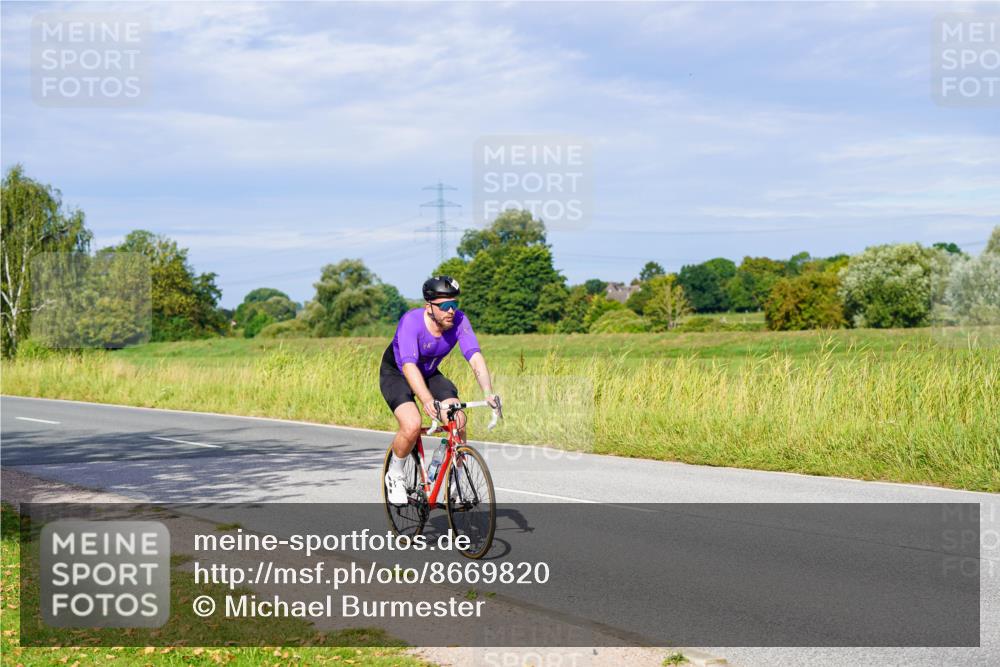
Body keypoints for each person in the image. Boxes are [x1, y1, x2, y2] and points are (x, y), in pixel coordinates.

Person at [380, 275, 498, 505]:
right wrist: (426, 400)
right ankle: (395, 473)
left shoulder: (459, 321)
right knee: (412, 424)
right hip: (398, 373)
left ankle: (456, 475)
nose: (451, 310)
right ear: (429, 307)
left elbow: (475, 357)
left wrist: (488, 392)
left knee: (458, 419)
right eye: (444, 306)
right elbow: (409, 365)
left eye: (454, 304)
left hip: (429, 372)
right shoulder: (411, 322)